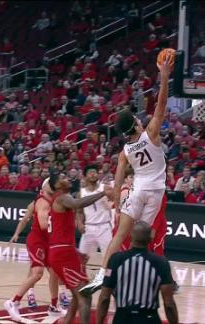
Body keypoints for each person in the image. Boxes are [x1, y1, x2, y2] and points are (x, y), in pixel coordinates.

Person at [80, 51, 174, 295]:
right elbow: (162, 104)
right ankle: (148, 277)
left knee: (120, 234)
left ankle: (103, 273)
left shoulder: (126, 149)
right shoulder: (151, 134)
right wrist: (164, 77)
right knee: (147, 235)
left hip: (137, 190)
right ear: (136, 122)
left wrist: (116, 202)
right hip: (154, 192)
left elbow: (119, 172)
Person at [48, 173, 112, 324]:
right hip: (62, 253)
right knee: (85, 295)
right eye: (63, 178)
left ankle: (67, 321)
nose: (68, 178)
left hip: (63, 251)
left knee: (78, 294)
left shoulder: (59, 199)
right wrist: (102, 193)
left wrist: (75, 252)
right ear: (56, 185)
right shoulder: (62, 197)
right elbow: (78, 204)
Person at [4, 178, 64, 321]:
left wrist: (16, 234)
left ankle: (54, 306)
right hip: (37, 240)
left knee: (55, 273)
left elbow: (25, 220)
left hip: (48, 241)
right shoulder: (42, 202)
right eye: (51, 185)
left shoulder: (54, 201)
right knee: (37, 273)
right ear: (44, 188)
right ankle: (13, 301)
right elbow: (42, 225)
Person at [97, 221, 179, 324]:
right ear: (150, 239)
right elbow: (169, 303)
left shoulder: (115, 259)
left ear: (130, 236)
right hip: (149, 318)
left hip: (123, 318)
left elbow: (104, 297)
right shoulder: (160, 262)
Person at [76, 165, 113, 258]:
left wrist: (110, 196)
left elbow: (114, 202)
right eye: (90, 172)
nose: (93, 174)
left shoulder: (106, 187)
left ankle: (106, 273)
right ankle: (82, 273)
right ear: (84, 177)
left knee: (109, 257)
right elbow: (79, 211)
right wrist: (79, 223)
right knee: (82, 257)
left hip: (104, 226)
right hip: (88, 227)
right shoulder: (81, 193)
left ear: (98, 175)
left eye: (94, 172)